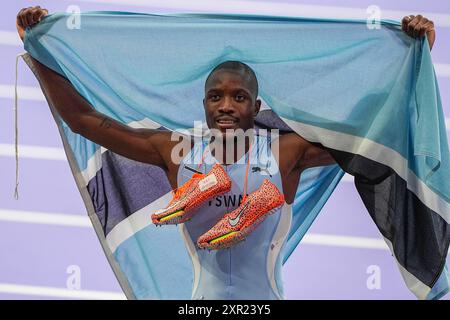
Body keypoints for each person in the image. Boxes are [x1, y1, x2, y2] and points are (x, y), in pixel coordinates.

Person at [16, 6, 437, 300]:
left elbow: (369, 131)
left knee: (265, 188)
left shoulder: (286, 152)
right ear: (202, 105)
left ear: (256, 107)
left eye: (238, 97)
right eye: (215, 96)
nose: (226, 106)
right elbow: (86, 121)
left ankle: (248, 197)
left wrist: (414, 57)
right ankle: (210, 186)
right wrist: (40, 47)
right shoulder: (174, 151)